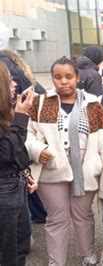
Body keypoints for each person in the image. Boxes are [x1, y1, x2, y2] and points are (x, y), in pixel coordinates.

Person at [26, 57, 103, 265]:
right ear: (52, 79)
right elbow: (26, 135)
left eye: (68, 77)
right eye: (58, 77)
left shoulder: (94, 105)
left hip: (86, 170)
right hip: (52, 170)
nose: (63, 81)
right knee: (57, 218)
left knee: (83, 215)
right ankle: (56, 261)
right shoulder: (39, 103)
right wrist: (37, 150)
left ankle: (88, 255)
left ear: (77, 78)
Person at [0, 62, 35, 266]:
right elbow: (5, 153)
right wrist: (21, 117)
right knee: (7, 252)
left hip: (15, 184)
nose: (14, 84)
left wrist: (25, 173)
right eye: (9, 79)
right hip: (4, 190)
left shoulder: (6, 111)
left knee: (21, 244)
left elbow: (15, 151)